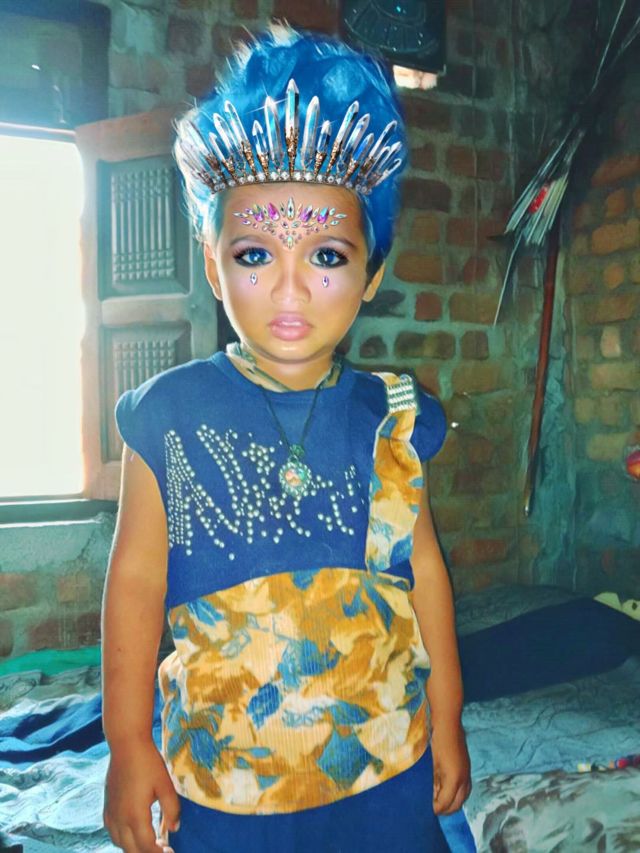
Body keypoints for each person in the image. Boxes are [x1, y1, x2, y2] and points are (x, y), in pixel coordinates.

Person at [101, 21, 473, 853]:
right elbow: (134, 584)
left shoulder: (394, 418)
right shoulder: (166, 415)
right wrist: (126, 741)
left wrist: (448, 714)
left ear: (372, 271)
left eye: (328, 256)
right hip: (225, 791)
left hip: (386, 775)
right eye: (255, 254)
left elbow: (426, 575)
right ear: (212, 263)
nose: (291, 287)